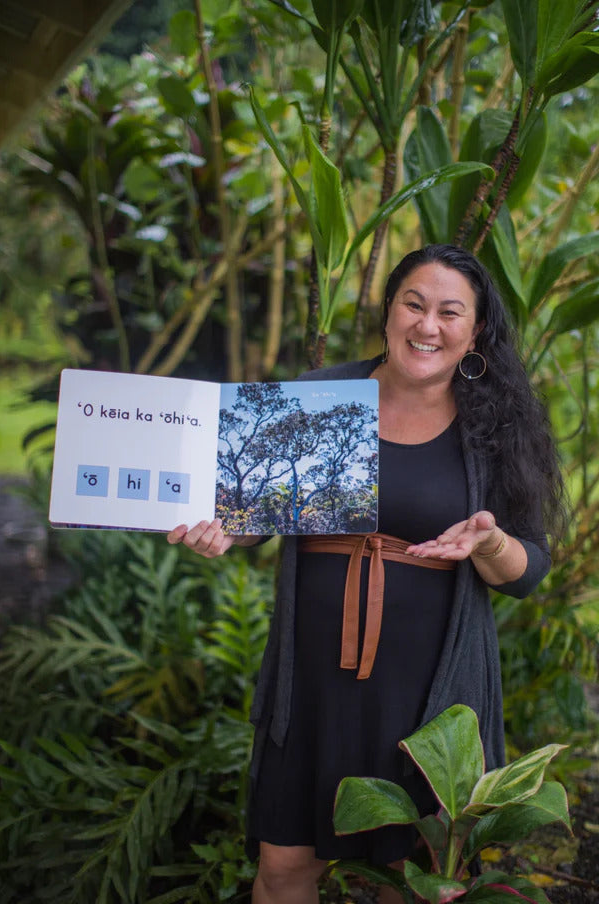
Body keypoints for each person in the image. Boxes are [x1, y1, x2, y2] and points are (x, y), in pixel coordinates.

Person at [167, 244, 565, 904]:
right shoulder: (322, 399)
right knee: (285, 867)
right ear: (387, 312)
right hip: (316, 681)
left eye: (449, 312)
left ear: (475, 331)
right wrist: (223, 530)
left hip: (429, 689)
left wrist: (490, 542)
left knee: (414, 883)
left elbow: (528, 571)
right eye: (413, 303)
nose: (427, 325)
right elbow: (258, 506)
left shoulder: (493, 426)